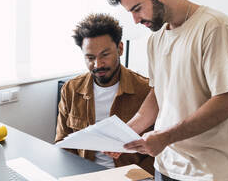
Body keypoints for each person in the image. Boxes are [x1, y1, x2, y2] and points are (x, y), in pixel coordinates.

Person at [107, 0, 228, 181]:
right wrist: (126, 134)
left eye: (137, 9)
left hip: (213, 172)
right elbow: (159, 96)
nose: (136, 20)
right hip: (167, 166)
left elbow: (226, 102)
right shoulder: (156, 40)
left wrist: (165, 137)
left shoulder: (215, 28)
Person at [55, 13, 154, 174]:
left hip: (130, 176)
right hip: (83, 174)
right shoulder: (70, 89)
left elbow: (158, 153)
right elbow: (63, 144)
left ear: (120, 48)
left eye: (105, 55)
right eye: (90, 57)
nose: (97, 64)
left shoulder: (146, 90)